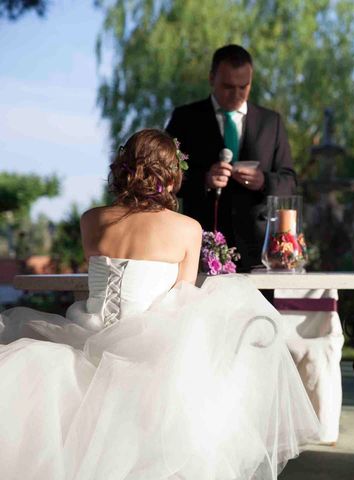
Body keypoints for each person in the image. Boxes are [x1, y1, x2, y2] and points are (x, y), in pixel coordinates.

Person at [0, 129, 318, 479]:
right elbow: (181, 299)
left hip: (84, 342)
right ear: (172, 174)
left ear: (123, 168)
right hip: (149, 354)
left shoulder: (91, 220)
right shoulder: (187, 229)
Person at [166, 44, 296, 271]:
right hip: (201, 248)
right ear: (211, 78)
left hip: (259, 251)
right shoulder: (186, 118)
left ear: (251, 81)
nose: (236, 94)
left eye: (243, 87)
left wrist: (264, 181)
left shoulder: (270, 122)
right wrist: (204, 180)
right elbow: (163, 178)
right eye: (227, 86)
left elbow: (290, 182)